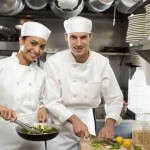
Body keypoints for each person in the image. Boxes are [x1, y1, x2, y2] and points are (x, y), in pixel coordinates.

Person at [44, 16, 123, 150]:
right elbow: (51, 101)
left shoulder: (101, 62)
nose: (79, 43)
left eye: (83, 37)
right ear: (66, 37)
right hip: (60, 127)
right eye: (73, 37)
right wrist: (74, 120)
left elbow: (114, 97)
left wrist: (109, 124)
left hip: (87, 123)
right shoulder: (54, 62)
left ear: (90, 37)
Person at [0, 21, 51, 150]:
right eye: (33, 43)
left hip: (34, 137)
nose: (37, 50)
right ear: (21, 40)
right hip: (6, 135)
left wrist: (42, 108)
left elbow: (40, 100)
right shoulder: (2, 66)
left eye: (42, 46)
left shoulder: (41, 74)